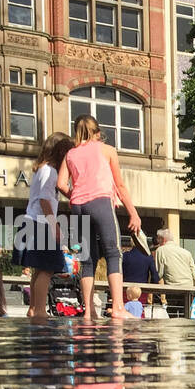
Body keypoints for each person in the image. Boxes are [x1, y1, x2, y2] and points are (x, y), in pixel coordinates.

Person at [62, 115, 141, 322]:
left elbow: (61, 184)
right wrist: (133, 213)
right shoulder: (107, 150)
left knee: (87, 260)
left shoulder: (70, 154)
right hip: (101, 203)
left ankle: (89, 311)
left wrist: (78, 196)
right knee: (114, 254)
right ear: (97, 132)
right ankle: (117, 307)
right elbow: (120, 186)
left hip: (78, 207)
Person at [21, 132, 74, 318]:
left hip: (33, 221)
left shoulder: (41, 170)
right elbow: (44, 200)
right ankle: (40, 309)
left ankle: (34, 308)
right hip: (41, 223)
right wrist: (55, 226)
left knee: (38, 268)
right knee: (47, 268)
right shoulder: (50, 172)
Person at [153, 228, 195, 316]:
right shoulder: (186, 252)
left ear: (163, 239)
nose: (157, 241)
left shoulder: (161, 250)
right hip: (188, 288)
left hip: (173, 288)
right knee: (186, 315)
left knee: (172, 314)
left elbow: (159, 273)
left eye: (158, 238)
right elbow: (193, 272)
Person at [120, 233, 157, 305]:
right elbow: (154, 276)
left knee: (125, 309)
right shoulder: (148, 257)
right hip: (141, 291)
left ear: (131, 242)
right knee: (139, 311)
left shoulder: (124, 256)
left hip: (126, 290)